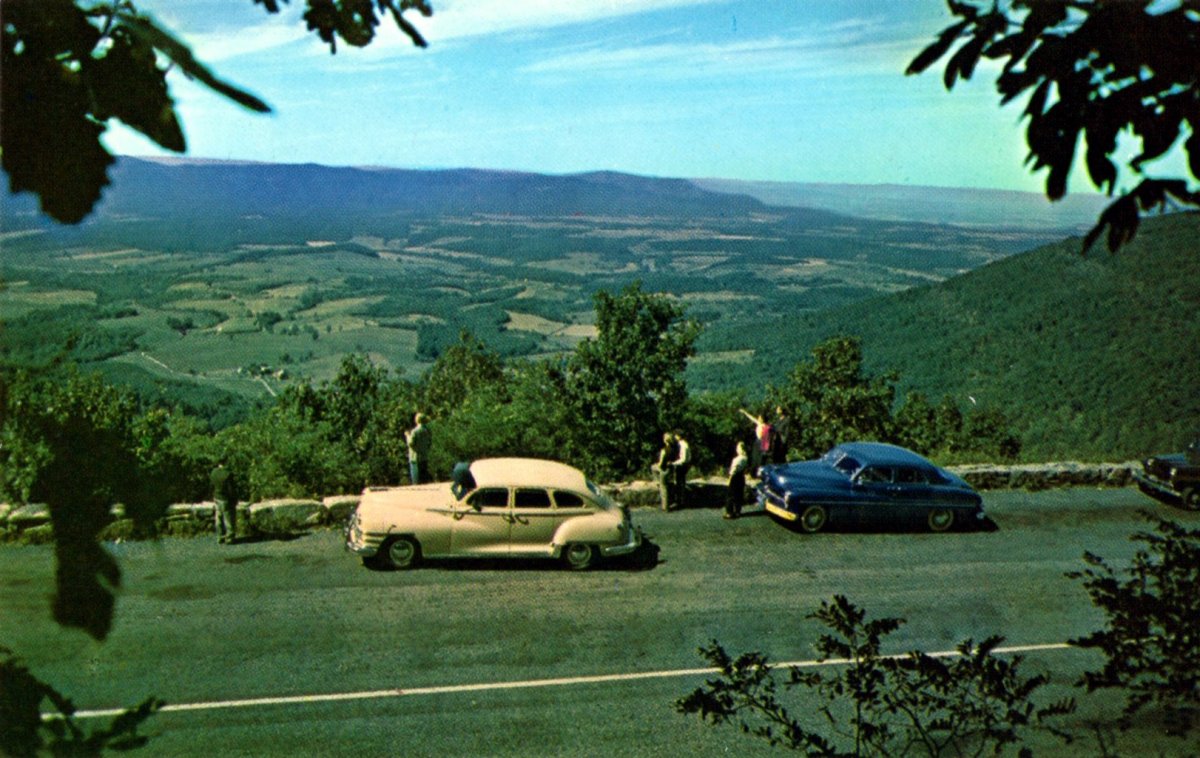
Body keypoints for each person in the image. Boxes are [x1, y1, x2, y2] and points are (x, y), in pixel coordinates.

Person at [210, 461, 238, 544]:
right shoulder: (228, 474)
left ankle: (220, 536)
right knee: (228, 518)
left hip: (216, 497)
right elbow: (231, 490)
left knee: (218, 517)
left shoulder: (213, 472)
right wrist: (234, 499)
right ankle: (229, 537)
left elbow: (211, 485)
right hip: (225, 499)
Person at [739, 408, 772, 475]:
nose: (758, 418)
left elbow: (767, 438)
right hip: (757, 442)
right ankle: (753, 473)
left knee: (760, 459)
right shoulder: (759, 424)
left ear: (763, 418)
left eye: (760, 417)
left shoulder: (766, 426)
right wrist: (745, 413)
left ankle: (759, 473)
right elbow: (752, 418)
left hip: (762, 442)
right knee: (754, 458)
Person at [404, 412, 432, 485]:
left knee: (416, 480)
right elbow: (429, 443)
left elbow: (411, 443)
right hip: (424, 456)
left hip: (415, 457)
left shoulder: (415, 431)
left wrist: (407, 436)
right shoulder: (427, 431)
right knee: (424, 479)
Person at [652, 432, 677, 511]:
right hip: (671, 469)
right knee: (667, 486)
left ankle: (665, 506)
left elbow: (661, 463)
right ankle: (668, 504)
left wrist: (657, 465)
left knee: (663, 488)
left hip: (664, 469)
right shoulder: (674, 449)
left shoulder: (664, 450)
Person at [725, 442, 749, 520]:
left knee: (730, 494)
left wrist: (729, 479)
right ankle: (738, 511)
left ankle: (729, 512)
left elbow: (733, 470)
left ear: (740, 449)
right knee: (739, 494)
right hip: (741, 477)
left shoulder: (737, 459)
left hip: (735, 477)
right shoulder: (746, 458)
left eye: (738, 448)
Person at [670, 430, 692, 510]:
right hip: (683, 465)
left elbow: (683, 459)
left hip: (682, 466)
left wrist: (673, 463)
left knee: (680, 483)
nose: (675, 437)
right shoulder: (684, 444)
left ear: (679, 436)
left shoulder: (683, 445)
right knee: (680, 483)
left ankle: (681, 501)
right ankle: (680, 500)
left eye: (675, 435)